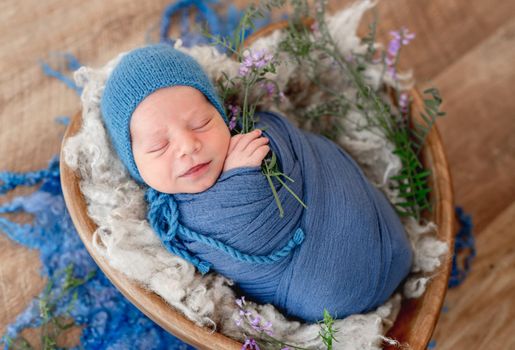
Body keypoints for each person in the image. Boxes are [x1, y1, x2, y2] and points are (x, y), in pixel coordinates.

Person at [100, 43, 413, 323]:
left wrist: (250, 162)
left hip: (377, 236)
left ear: (222, 114)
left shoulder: (257, 135)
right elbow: (254, 243)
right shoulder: (173, 221)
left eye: (202, 123)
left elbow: (308, 153)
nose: (188, 146)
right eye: (158, 146)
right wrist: (239, 184)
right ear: (135, 166)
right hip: (330, 291)